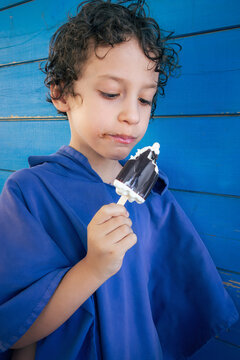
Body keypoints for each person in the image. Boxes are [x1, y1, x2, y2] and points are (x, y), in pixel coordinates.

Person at [0, 1, 238, 359]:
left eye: (145, 99)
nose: (132, 115)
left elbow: (178, 297)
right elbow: (16, 332)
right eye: (111, 93)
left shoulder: (152, 193)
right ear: (61, 91)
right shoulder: (28, 192)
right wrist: (92, 268)